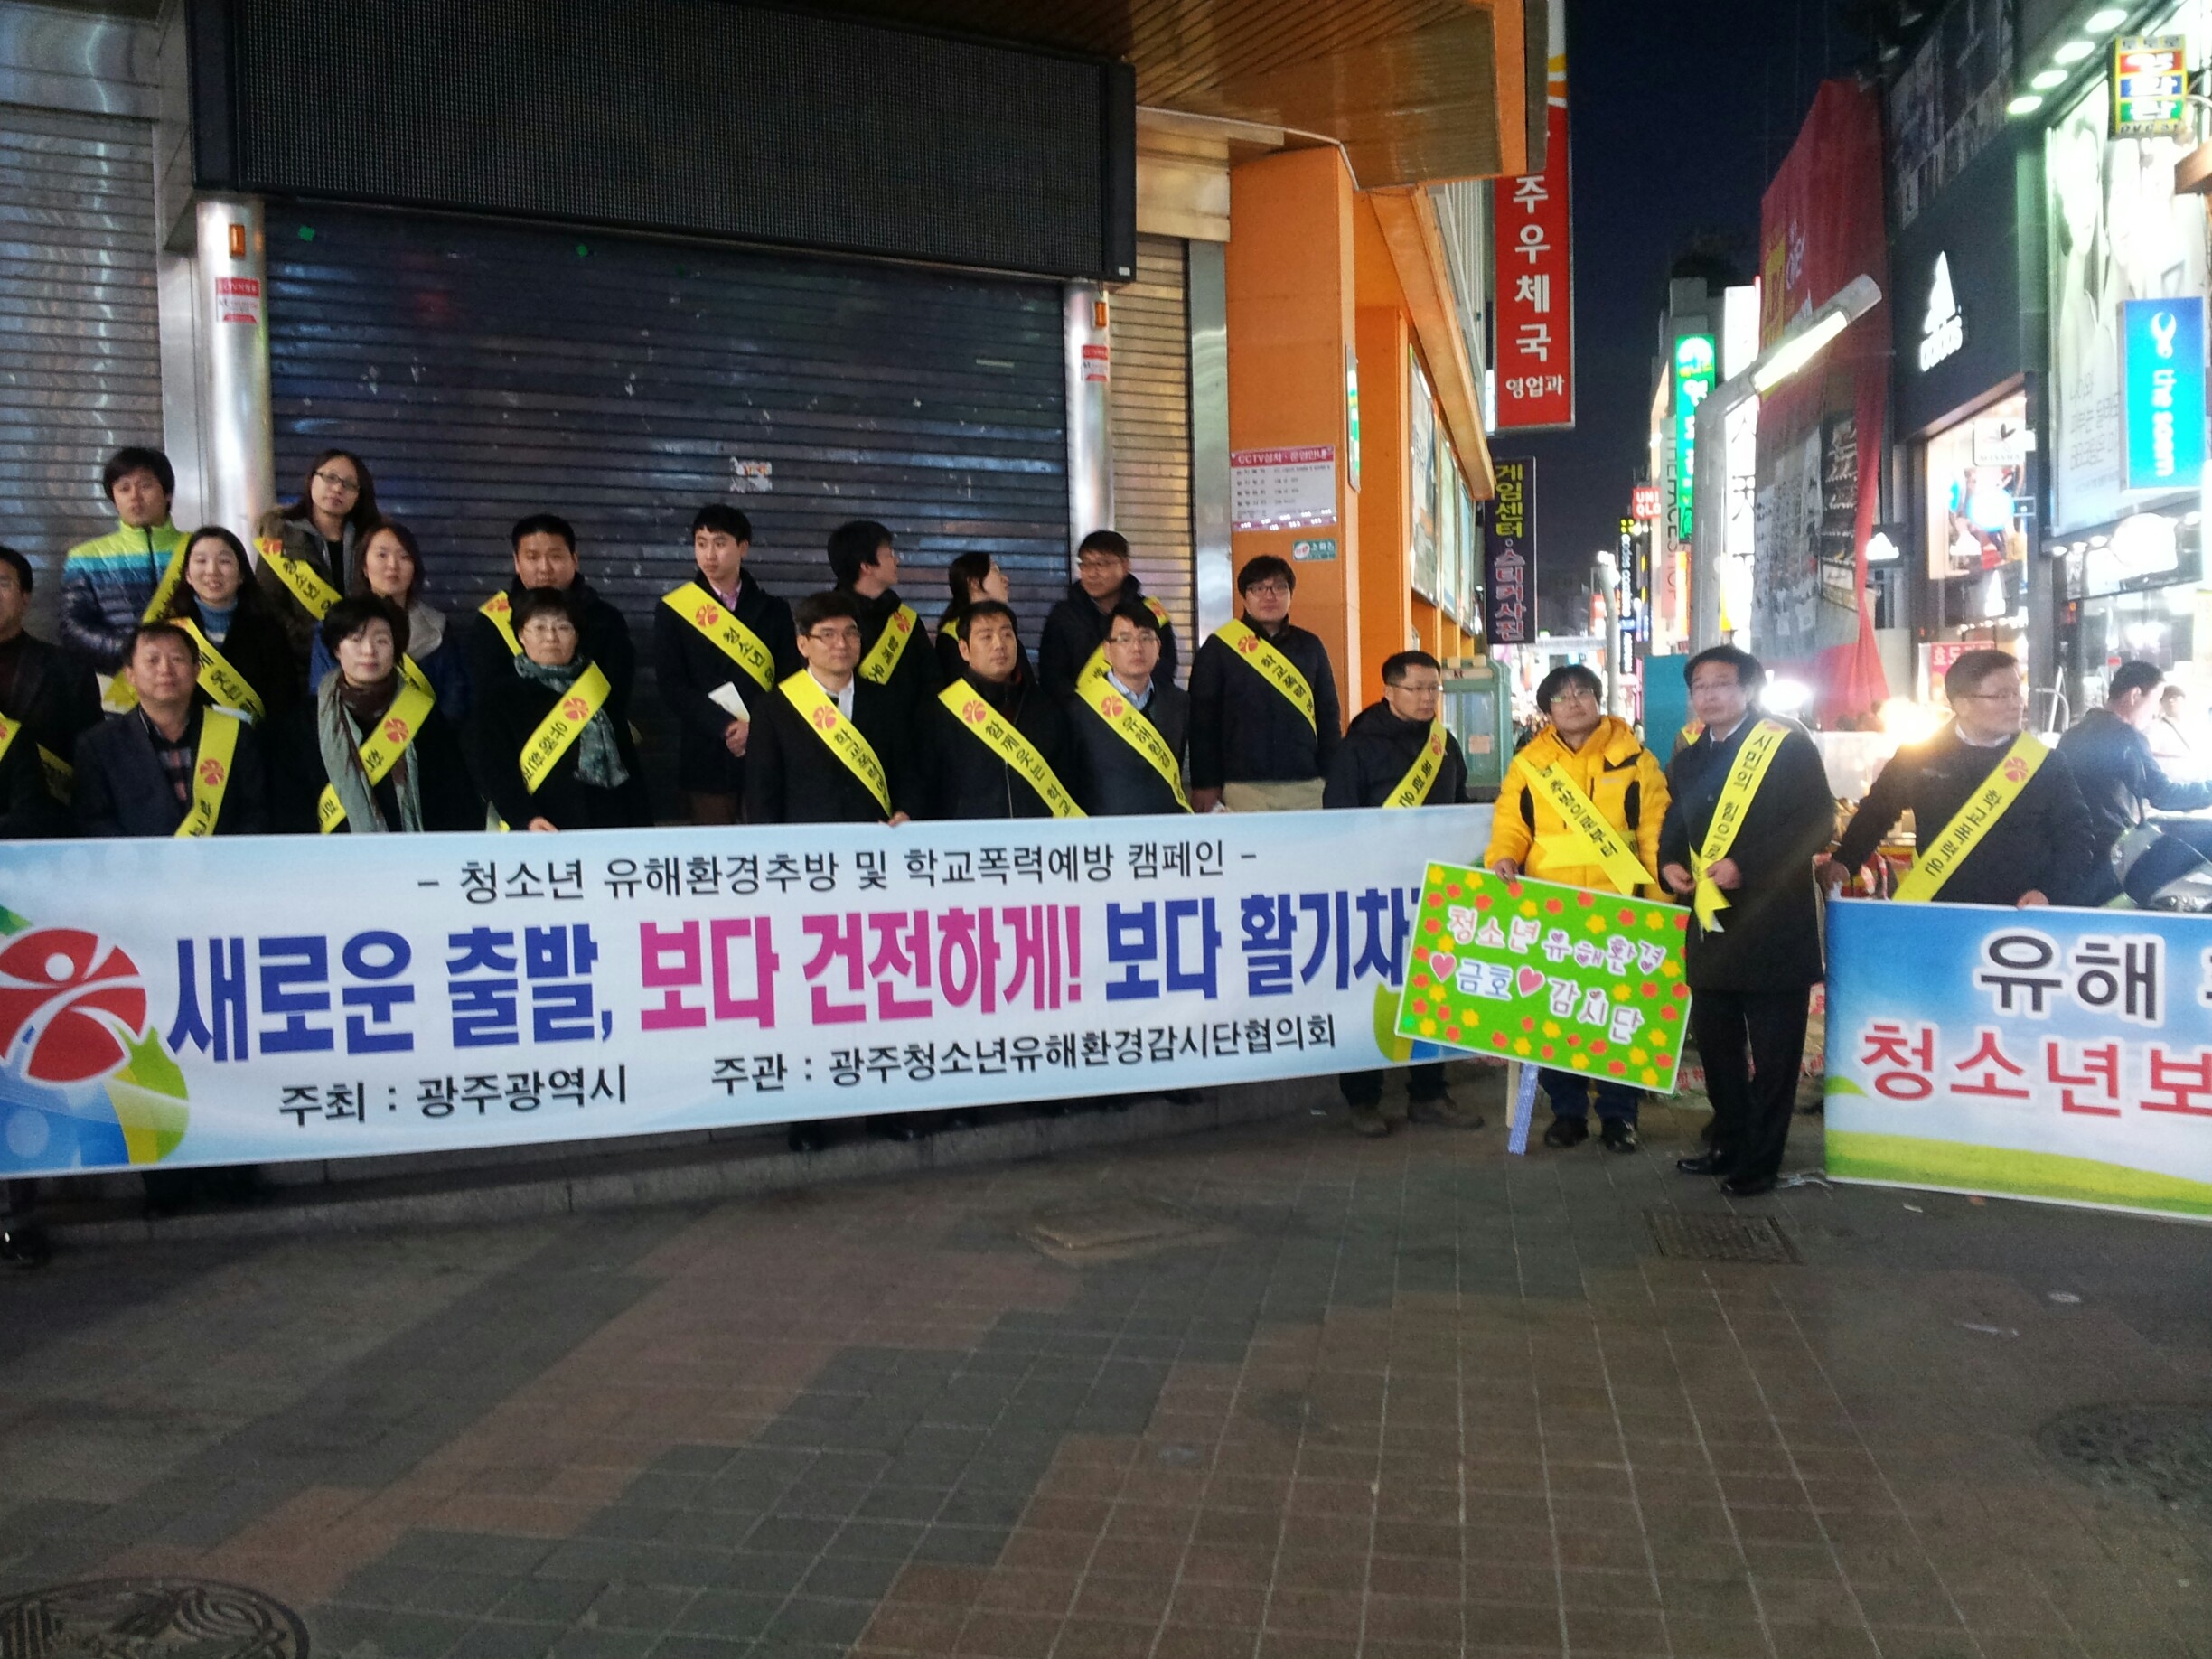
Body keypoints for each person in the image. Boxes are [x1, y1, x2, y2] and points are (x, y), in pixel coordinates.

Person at [1658, 646, 1836, 1198]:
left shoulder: (1787, 745)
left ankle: (1761, 1161)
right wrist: (1668, 863)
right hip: (1711, 926)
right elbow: (1675, 822)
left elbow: (1817, 823)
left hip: (1773, 925)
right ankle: (1728, 1143)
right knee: (1718, 1049)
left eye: (1721, 684)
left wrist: (1747, 866)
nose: (1709, 695)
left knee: (1776, 1054)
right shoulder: (1689, 757)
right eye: (1699, 686)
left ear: (1748, 689)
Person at [1486, 662, 1670, 1152]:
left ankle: (1619, 1116)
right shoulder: (1530, 763)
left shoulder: (1635, 759)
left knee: (1619, 1015)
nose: (1573, 702)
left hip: (1620, 907)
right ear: (1547, 710)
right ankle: (1567, 1112)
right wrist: (1503, 854)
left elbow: (1654, 832)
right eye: (1561, 696)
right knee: (1558, 1011)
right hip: (1552, 908)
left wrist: (1660, 906)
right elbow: (1511, 823)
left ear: (1598, 699)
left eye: (1583, 692)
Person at [1326, 651, 1482, 1137]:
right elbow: (1338, 820)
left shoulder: (1444, 743)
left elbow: (1461, 807)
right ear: (1389, 691)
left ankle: (1430, 1094)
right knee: (1366, 990)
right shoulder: (1357, 747)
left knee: (1433, 989)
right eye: (1416, 688)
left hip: (1433, 888)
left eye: (1434, 688)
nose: (1427, 697)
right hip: (1373, 891)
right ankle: (1363, 1099)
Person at [1826, 649, 2094, 908]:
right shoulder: (1918, 758)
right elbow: (1876, 813)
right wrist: (1845, 861)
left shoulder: (2044, 763)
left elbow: (2077, 837)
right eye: (2002, 695)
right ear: (1962, 704)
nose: (2017, 704)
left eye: (2017, 692)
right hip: (1941, 910)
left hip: (2020, 915)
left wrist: (2049, 891)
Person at [278, 595, 479, 835]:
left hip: (412, 853)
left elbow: (456, 804)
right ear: (337, 649)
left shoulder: (423, 716)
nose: (369, 651)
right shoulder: (304, 723)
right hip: (328, 855)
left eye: (381, 640)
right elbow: (291, 809)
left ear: (396, 648)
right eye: (356, 639)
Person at [652, 504, 798, 825]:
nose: (709, 555)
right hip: (706, 752)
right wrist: (725, 726)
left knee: (767, 842)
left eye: (720, 543)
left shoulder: (774, 610)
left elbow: (790, 680)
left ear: (742, 547)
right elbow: (672, 685)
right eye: (701, 543)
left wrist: (756, 727)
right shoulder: (674, 609)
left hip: (765, 748)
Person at [470, 587, 651, 832]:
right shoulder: (500, 697)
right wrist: (526, 818)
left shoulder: (598, 688)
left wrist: (641, 825)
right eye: (539, 628)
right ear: (521, 635)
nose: (551, 637)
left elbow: (628, 765)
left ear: (576, 636)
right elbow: (495, 770)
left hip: (608, 824)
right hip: (542, 828)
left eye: (563, 627)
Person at [745, 591, 923, 829]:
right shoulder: (773, 709)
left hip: (876, 838)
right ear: (803, 645)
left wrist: (905, 811)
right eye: (828, 635)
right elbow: (762, 793)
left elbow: (908, 774)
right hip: (806, 842)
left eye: (851, 633)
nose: (841, 644)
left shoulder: (888, 701)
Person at [74, 623, 268, 836]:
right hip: (136, 858)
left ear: (196, 670)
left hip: (225, 857)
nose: (165, 669)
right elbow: (94, 821)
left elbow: (256, 811)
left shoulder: (235, 733)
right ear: (130, 674)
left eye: (177, 659)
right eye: (152, 660)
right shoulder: (99, 745)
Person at [1187, 556, 1342, 812]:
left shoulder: (1310, 646)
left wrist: (1331, 775)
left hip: (1306, 785)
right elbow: (1202, 722)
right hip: (1242, 786)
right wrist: (1205, 782)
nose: (1269, 596)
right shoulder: (1219, 648)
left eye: (1279, 587)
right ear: (1244, 597)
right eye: (1259, 588)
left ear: (1290, 594)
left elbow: (1328, 715)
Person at [2051, 660, 2212, 903]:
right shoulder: (2126, 736)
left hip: (2072, 850)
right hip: (2109, 854)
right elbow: (2164, 795)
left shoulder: (2073, 734)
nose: (2156, 711)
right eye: (2155, 700)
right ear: (2135, 695)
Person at [467, 514, 636, 726]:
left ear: (574, 560)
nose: (544, 568)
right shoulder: (492, 622)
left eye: (555, 557)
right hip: (516, 739)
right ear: (517, 562)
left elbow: (617, 693)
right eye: (532, 557)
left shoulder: (606, 620)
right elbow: (485, 697)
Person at [925, 600, 1080, 819]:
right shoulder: (943, 712)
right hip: (970, 837)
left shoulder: (1046, 709)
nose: (999, 645)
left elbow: (1068, 781)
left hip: (1037, 836)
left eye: (1007, 635)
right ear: (964, 649)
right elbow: (926, 786)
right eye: (986, 637)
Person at [306, 519, 473, 719]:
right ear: (364, 566)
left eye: (404, 556)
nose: (392, 565)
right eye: (382, 555)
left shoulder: (437, 628)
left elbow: (455, 701)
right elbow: (321, 694)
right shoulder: (336, 625)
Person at [60, 446, 187, 683]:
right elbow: (73, 628)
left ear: (168, 493)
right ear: (114, 498)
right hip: (118, 684)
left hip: (191, 680)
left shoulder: (198, 551)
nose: (134, 496)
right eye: (124, 488)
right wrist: (136, 654)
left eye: (145, 486)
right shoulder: (85, 558)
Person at [254, 448, 380, 665]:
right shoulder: (278, 537)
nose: (337, 488)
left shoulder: (371, 541)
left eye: (349, 484)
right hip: (298, 665)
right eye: (330, 478)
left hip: (365, 660)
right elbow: (268, 605)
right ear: (311, 479)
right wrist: (317, 643)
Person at [162, 527, 299, 725]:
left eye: (224, 561)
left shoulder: (269, 631)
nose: (212, 571)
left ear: (241, 574)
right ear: (188, 575)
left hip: (254, 740)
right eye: (201, 561)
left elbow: (285, 704)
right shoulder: (170, 633)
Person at [1068, 599, 1191, 816]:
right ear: (1107, 651)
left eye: (1146, 638)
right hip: (1104, 829)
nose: (1137, 648)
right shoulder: (1080, 709)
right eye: (1124, 639)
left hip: (1166, 827)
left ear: (1158, 647)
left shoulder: (1178, 702)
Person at [0, 544, 99, 802]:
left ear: (25, 597)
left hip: (45, 815)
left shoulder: (69, 669)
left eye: (3, 584)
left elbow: (91, 763)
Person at [1038, 530, 1178, 697]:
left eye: (1102, 564)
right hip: (1079, 709)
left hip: (1139, 708)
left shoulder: (1150, 612)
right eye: (1085, 564)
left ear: (1125, 566)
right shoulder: (1063, 616)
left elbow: (1165, 667)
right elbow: (1052, 676)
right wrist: (1080, 706)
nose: (1092, 573)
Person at [827, 518, 939, 717]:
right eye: (889, 554)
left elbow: (932, 681)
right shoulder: (828, 620)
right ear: (866, 566)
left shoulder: (905, 619)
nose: (897, 560)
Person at [936, 551, 1031, 685]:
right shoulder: (951, 636)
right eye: (995, 571)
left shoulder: (1005, 625)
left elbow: (1028, 684)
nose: (1005, 579)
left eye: (1006, 635)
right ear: (974, 582)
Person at [2151, 683, 2196, 770]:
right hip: (2168, 775)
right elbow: (2149, 753)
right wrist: (2176, 756)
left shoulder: (2196, 725)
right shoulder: (2155, 727)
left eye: (2174, 697)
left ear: (2184, 700)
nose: (2170, 701)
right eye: (2166, 698)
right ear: (2161, 703)